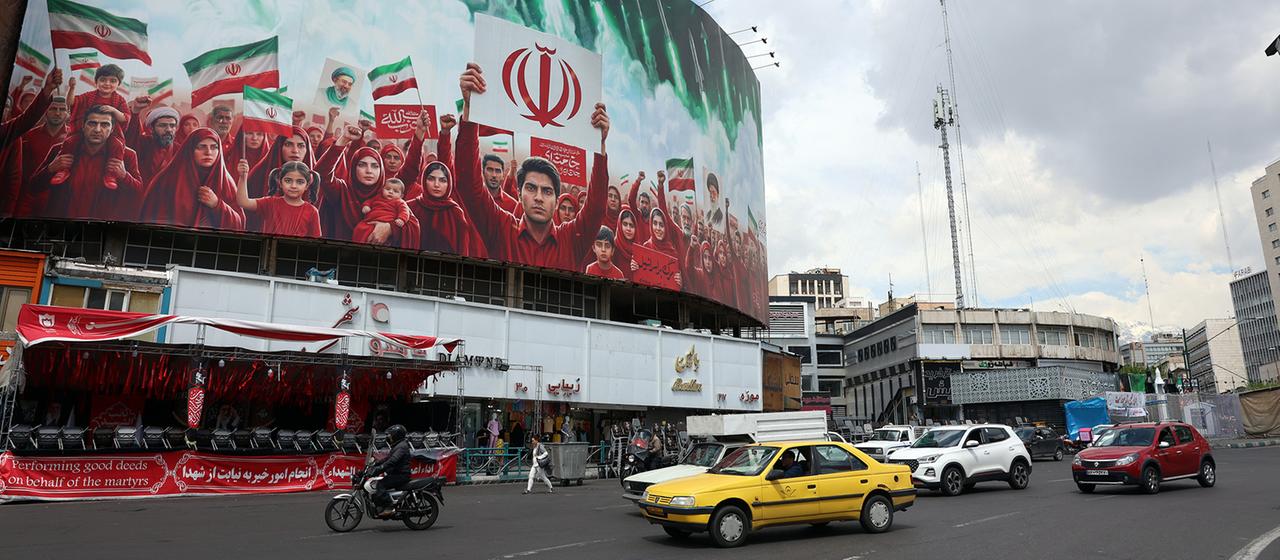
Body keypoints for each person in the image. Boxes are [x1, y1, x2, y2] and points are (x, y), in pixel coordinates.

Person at [453, 62, 611, 272]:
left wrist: (599, 144)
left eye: (547, 191)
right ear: (519, 193)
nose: (538, 197)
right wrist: (471, 110)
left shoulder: (572, 239)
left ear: (556, 199)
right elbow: (468, 185)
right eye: (531, 188)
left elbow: (596, 207)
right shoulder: (501, 229)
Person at [30, 105, 145, 221]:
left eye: (105, 124)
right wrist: (51, 168)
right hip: (62, 227)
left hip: (102, 228)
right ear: (83, 126)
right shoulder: (60, 150)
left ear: (112, 129)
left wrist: (124, 176)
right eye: (92, 123)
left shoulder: (127, 156)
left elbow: (138, 194)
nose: (97, 130)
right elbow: (33, 187)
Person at [140, 128, 245, 230]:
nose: (208, 152)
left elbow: (239, 223)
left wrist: (217, 205)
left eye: (214, 147)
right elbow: (152, 219)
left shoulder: (226, 182)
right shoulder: (168, 179)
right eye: (201, 147)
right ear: (190, 149)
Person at [49, 64, 129, 190]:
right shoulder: (89, 95)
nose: (107, 84)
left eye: (112, 81)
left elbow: (125, 117)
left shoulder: (119, 100)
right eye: (103, 80)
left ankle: (110, 175)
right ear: (96, 81)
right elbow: (71, 103)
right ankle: (63, 170)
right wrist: (72, 88)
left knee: (118, 146)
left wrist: (113, 111)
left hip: (110, 133)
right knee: (70, 142)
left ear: (118, 84)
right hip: (86, 131)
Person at [236, 158, 322, 237]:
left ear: (307, 185)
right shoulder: (270, 203)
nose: (293, 186)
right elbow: (243, 202)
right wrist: (243, 177)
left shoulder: (312, 211)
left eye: (300, 182)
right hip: (270, 251)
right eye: (288, 181)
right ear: (280, 182)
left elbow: (316, 241)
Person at [125, 102, 179, 187]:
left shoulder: (179, 150)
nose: (168, 130)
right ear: (151, 129)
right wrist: (135, 113)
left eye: (172, 126)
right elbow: (132, 136)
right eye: (162, 125)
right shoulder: (143, 143)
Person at [355, 177, 416, 246]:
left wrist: (402, 219)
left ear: (401, 196)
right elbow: (369, 201)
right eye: (387, 189)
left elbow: (404, 211)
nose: (390, 192)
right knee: (359, 229)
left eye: (395, 191)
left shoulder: (399, 202)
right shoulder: (378, 197)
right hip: (369, 221)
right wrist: (366, 206)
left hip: (386, 221)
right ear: (382, 189)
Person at [368, 424, 411, 517]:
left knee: (381, 484)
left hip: (401, 475)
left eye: (390, 435)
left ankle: (389, 507)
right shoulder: (398, 445)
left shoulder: (402, 447)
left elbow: (393, 461)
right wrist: (376, 463)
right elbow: (388, 458)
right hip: (396, 473)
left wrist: (380, 468)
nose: (389, 437)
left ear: (396, 435)